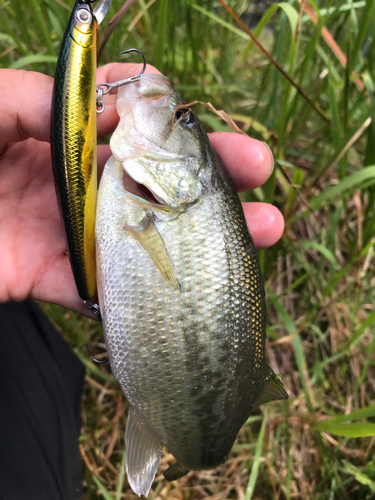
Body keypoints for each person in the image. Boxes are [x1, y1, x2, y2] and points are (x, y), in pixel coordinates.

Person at [0, 64, 284, 500]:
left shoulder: (163, 193)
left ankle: (189, 447)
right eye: (181, 116)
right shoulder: (147, 187)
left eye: (182, 118)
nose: (174, 113)